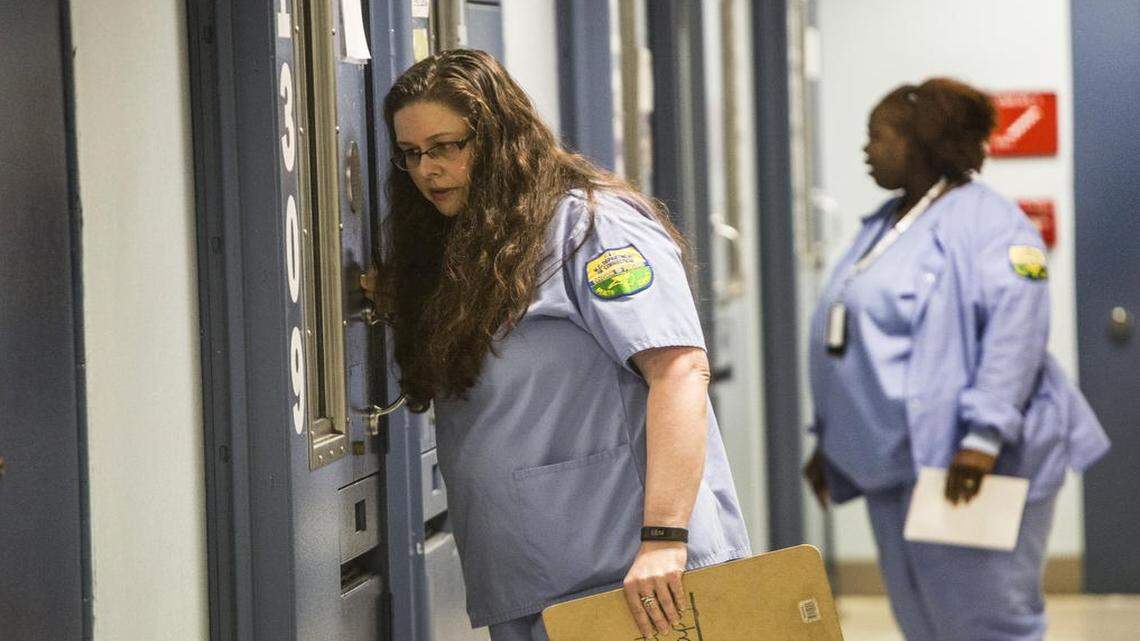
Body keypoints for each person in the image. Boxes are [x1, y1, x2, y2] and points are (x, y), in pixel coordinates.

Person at [369, 49, 751, 641]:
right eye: (412, 154)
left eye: (447, 146)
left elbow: (679, 370)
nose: (428, 170)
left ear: (497, 138)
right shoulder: (470, 247)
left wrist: (665, 539)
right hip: (533, 573)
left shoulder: (592, 228)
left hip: (630, 571)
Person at [804, 78, 1110, 641]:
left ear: (919, 142)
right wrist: (832, 441)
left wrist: (983, 437)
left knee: (987, 621)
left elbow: (1017, 332)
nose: (866, 151)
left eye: (878, 136)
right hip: (893, 464)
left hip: (971, 463)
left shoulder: (995, 225)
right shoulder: (886, 224)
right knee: (923, 621)